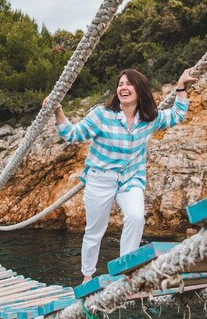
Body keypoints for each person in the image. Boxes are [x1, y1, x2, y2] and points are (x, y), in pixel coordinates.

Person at [44, 68, 197, 282]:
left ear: (140, 89)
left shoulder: (150, 118)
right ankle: (87, 276)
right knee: (95, 231)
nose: (123, 88)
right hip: (100, 178)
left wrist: (180, 86)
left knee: (135, 216)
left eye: (128, 84)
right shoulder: (102, 115)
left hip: (131, 179)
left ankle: (126, 271)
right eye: (120, 84)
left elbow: (177, 114)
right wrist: (58, 111)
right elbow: (73, 135)